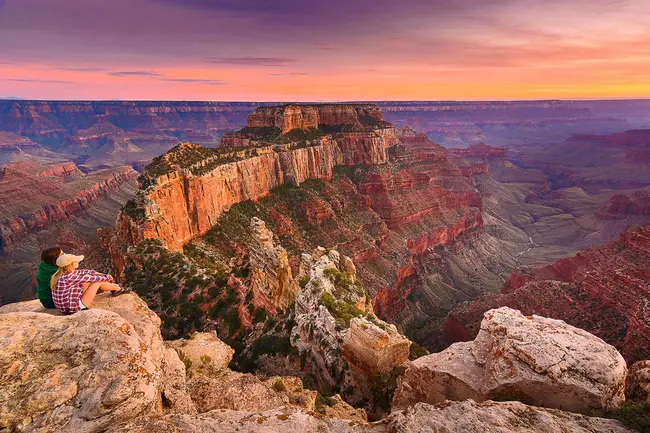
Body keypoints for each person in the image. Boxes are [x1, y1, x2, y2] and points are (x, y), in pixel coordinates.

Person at [50, 253, 130, 314]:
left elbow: (86, 272)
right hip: (73, 309)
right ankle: (117, 289)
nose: (78, 262)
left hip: (65, 307)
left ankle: (114, 288)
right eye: (76, 261)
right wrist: (107, 278)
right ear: (71, 264)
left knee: (87, 275)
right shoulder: (68, 277)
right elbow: (93, 279)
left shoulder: (61, 274)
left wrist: (103, 275)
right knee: (97, 282)